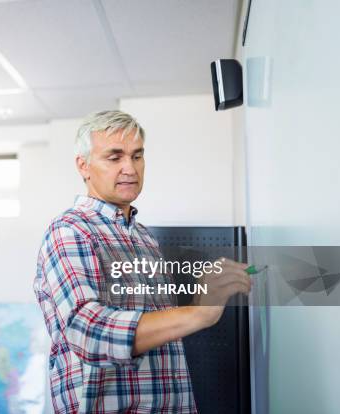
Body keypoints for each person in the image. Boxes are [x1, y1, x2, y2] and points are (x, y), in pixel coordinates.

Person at [33, 110, 252, 413]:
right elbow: (87, 331)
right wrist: (199, 313)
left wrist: (203, 299)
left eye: (137, 156)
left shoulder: (144, 238)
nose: (130, 168)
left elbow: (157, 335)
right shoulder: (71, 231)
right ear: (83, 166)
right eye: (114, 157)